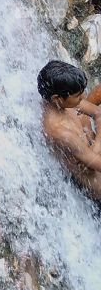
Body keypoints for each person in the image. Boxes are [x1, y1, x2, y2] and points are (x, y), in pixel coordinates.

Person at [38, 60, 101, 199]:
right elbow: (94, 164)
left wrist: (91, 136)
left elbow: (97, 113)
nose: (83, 97)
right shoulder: (60, 132)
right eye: (78, 96)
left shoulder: (65, 103)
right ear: (57, 98)